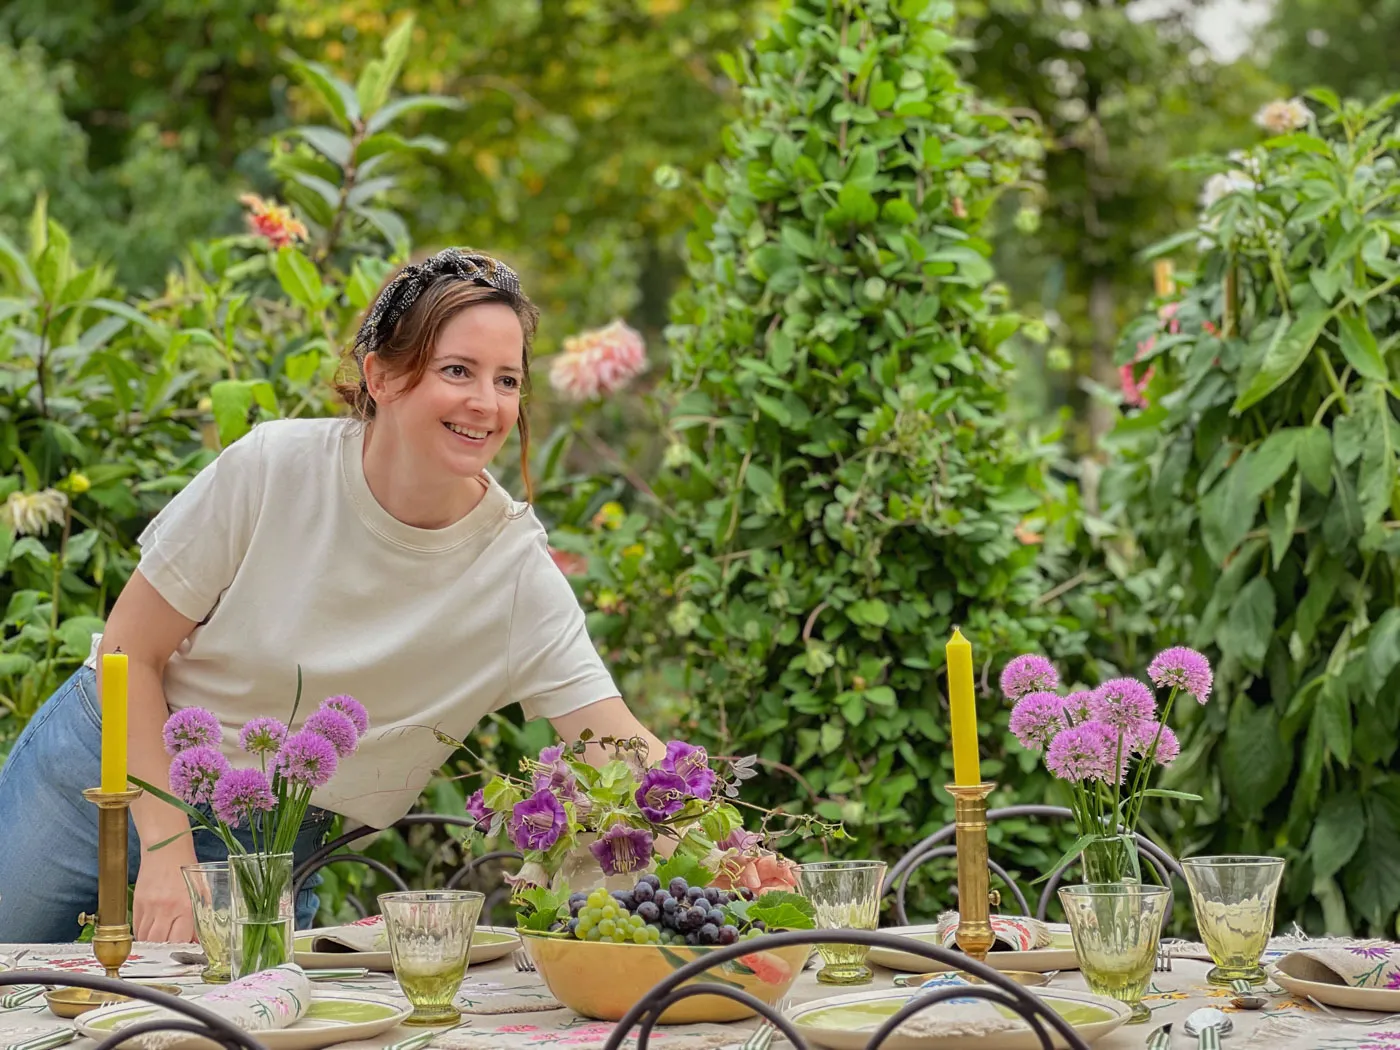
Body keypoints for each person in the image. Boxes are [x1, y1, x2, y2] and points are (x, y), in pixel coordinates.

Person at [0, 249, 664, 943]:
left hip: (275, 838)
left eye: (507, 380)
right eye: (457, 370)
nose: (486, 403)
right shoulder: (273, 470)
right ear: (380, 374)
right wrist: (169, 849)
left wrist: (739, 856)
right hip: (99, 776)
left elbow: (618, 746)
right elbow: (130, 654)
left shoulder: (516, 574)